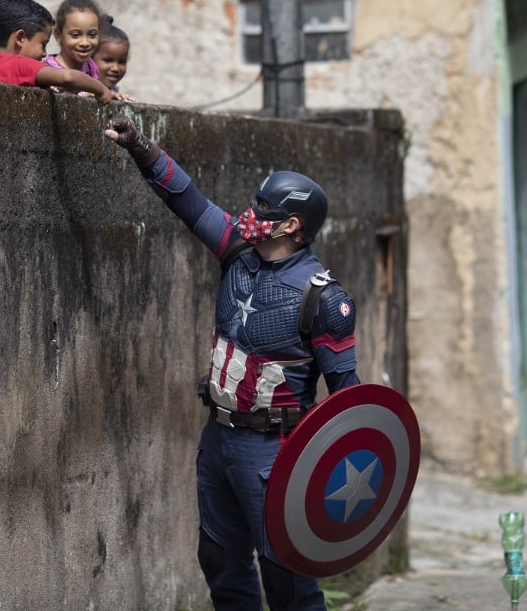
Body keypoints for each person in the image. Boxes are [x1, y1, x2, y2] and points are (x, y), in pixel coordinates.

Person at [103, 115, 360, 610]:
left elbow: (349, 400)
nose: (252, 212)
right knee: (221, 563)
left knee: (288, 581)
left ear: (292, 226)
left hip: (276, 451)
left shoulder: (322, 298)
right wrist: (139, 146)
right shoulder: (237, 251)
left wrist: (336, 483)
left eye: (266, 208)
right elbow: (186, 198)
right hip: (218, 438)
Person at [0, 0, 123, 105]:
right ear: (20, 38)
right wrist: (102, 90)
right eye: (43, 44)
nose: (44, 53)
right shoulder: (19, 64)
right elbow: (68, 77)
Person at [43, 0, 102, 92]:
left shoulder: (90, 66)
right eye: (75, 35)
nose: (85, 43)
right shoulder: (48, 71)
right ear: (59, 35)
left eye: (92, 35)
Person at [94, 16, 131, 95]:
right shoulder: (78, 90)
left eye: (122, 62)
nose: (116, 68)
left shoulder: (115, 92)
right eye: (108, 60)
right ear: (90, 59)